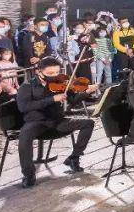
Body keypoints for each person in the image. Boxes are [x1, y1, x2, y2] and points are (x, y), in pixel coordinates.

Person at [15, 57, 97, 187]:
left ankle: (74, 158)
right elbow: (24, 107)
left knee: (88, 123)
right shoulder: (27, 86)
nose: (54, 76)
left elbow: (73, 100)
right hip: (37, 122)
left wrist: (86, 92)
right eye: (50, 74)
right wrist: (52, 99)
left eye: (57, 73)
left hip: (58, 120)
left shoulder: (61, 82)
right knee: (24, 137)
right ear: (39, 72)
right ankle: (29, 174)